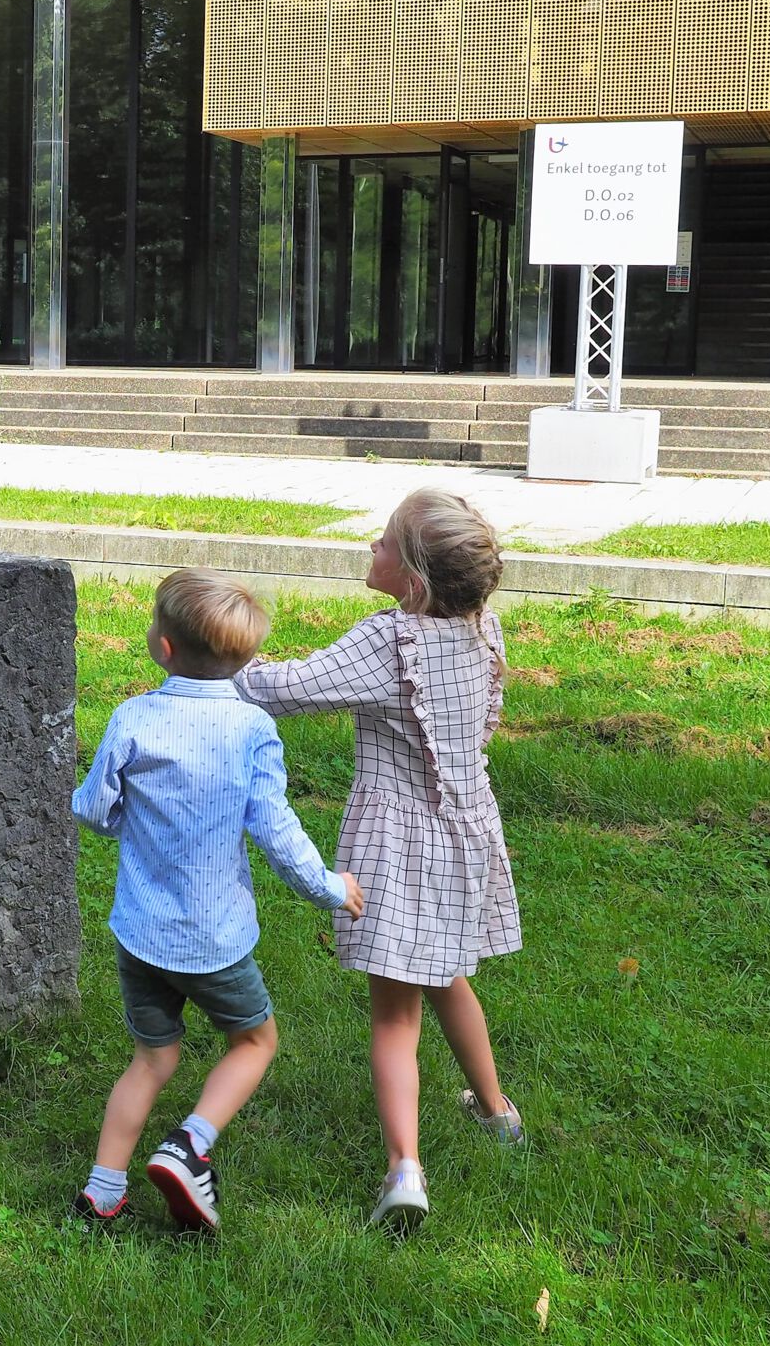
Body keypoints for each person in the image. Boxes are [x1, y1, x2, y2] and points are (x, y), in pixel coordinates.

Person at [234, 489, 522, 1234]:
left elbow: (288, 688)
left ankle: (405, 1169)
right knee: (449, 972)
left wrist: (214, 670)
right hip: (466, 831)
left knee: (396, 1015)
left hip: (399, 843)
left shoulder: (388, 642)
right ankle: (496, 1111)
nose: (372, 544)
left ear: (415, 579)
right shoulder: (483, 629)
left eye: (386, 540)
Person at [70, 569, 363, 1234]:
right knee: (255, 1039)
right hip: (214, 937)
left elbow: (91, 807)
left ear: (164, 648)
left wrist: (128, 825)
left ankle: (101, 1193)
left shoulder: (132, 716)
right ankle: (189, 1143)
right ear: (248, 657)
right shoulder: (252, 727)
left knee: (152, 1057)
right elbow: (275, 827)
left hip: (140, 933)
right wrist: (328, 885)